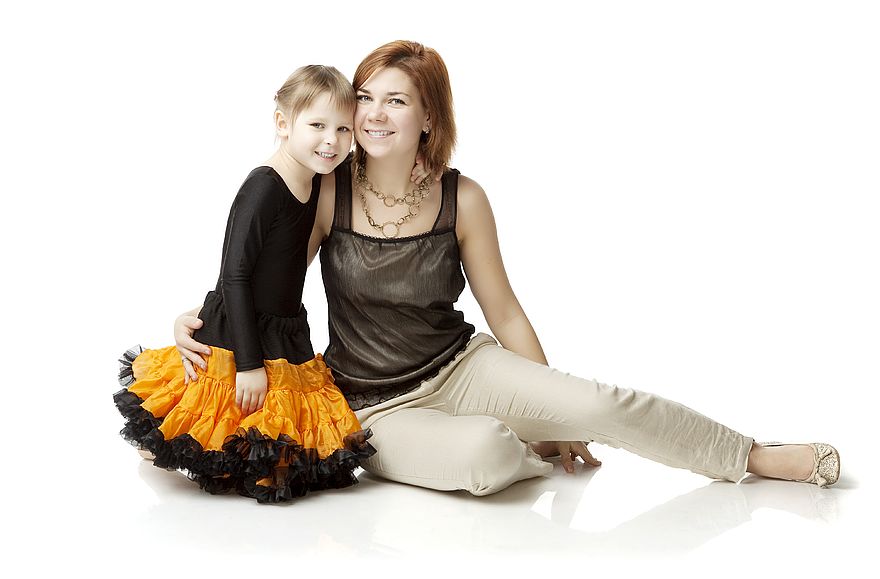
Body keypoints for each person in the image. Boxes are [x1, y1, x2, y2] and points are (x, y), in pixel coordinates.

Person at [174, 41, 840, 497]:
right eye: (366, 97)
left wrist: (555, 412)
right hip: (374, 405)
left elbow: (507, 311)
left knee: (599, 403)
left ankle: (747, 454)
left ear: (429, 117)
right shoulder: (327, 191)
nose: (373, 113)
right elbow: (262, 275)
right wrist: (202, 322)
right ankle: (521, 450)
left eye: (397, 101)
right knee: (485, 458)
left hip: (466, 367)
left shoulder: (463, 198)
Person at [114, 65, 376, 504]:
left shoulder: (320, 179)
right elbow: (234, 274)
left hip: (283, 326)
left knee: (293, 442)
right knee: (226, 420)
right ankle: (162, 443)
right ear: (282, 123)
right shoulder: (263, 187)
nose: (331, 139)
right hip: (241, 331)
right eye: (316, 125)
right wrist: (249, 363)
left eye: (343, 128)